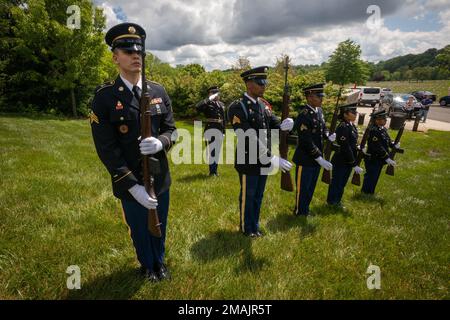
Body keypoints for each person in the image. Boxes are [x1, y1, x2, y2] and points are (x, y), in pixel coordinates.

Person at [90, 23, 176, 282]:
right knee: (140, 227)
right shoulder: (104, 98)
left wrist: (161, 142)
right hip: (131, 181)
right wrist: (132, 186)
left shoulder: (158, 91)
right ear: (115, 57)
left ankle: (159, 261)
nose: (135, 55)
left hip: (159, 176)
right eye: (128, 51)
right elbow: (107, 149)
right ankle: (147, 265)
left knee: (160, 222)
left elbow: (172, 129)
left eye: (139, 51)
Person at [227, 66, 294, 238]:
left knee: (258, 195)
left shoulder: (263, 106)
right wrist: (271, 158)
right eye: (260, 82)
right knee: (248, 196)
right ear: (249, 84)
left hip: (263, 160)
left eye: (265, 82)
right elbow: (247, 136)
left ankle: (254, 226)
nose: (264, 86)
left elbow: (274, 123)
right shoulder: (238, 107)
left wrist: (284, 126)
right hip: (248, 160)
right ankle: (245, 227)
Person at [292, 83, 336, 216]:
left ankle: (305, 209)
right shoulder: (304, 115)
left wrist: (327, 134)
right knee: (303, 187)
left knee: (311, 186)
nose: (322, 99)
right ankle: (300, 211)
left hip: (317, 158)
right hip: (306, 158)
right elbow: (306, 140)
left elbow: (322, 128)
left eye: (321, 96)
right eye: (319, 96)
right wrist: (319, 157)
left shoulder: (319, 111)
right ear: (310, 97)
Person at [326, 103, 363, 208]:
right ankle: (332, 201)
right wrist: (354, 163)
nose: (355, 115)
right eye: (353, 112)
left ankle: (337, 200)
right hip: (341, 160)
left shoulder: (351, 126)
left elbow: (352, 143)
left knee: (342, 182)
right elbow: (345, 147)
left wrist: (358, 147)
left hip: (348, 160)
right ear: (345, 114)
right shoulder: (343, 127)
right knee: (337, 182)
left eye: (356, 112)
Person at [361, 110, 400, 195]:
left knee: (375, 176)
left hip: (379, 159)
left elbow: (388, 141)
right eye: (383, 119)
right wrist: (387, 157)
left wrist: (394, 144)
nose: (385, 120)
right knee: (371, 176)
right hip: (373, 158)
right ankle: (365, 193)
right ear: (377, 120)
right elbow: (377, 146)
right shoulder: (374, 131)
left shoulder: (382, 129)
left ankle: (370, 193)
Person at [196, 86, 226, 176]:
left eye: (217, 93)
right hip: (211, 128)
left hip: (219, 129)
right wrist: (209, 99)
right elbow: (198, 107)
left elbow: (224, 119)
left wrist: (224, 131)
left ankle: (215, 171)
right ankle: (212, 171)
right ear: (210, 94)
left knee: (217, 151)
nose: (217, 95)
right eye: (214, 94)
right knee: (212, 150)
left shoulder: (221, 104)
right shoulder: (207, 104)